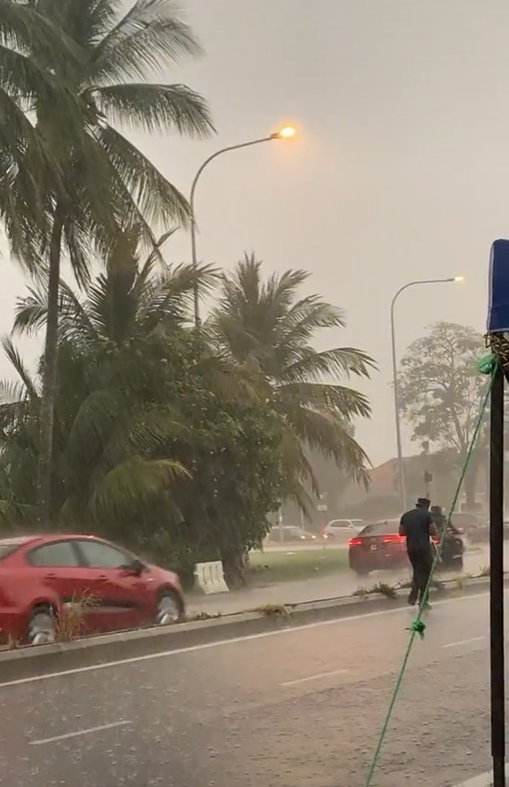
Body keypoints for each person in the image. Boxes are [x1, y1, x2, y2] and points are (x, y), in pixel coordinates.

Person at [399, 497, 438, 609]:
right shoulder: (427, 515)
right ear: (427, 506)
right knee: (426, 573)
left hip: (411, 548)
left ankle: (413, 595)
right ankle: (422, 600)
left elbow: (401, 532)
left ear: (417, 505)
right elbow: (433, 531)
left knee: (417, 570)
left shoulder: (406, 516)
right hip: (423, 547)